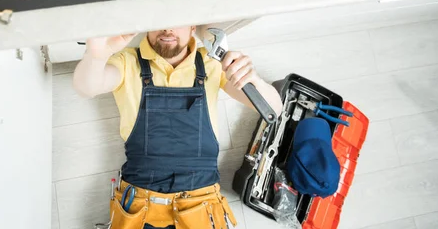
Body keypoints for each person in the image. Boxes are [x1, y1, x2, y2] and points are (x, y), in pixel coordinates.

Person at [74, 26, 283, 229]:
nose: (168, 29)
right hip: (140, 209)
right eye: (160, 21)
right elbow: (86, 87)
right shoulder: (127, 61)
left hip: (201, 208)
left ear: (193, 26)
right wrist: (96, 56)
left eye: (177, 21)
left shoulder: (211, 63)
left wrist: (252, 78)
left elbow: (273, 108)